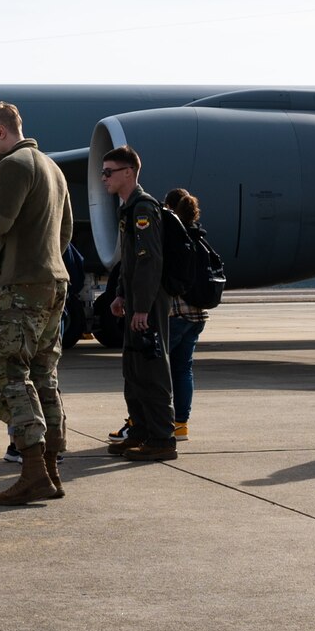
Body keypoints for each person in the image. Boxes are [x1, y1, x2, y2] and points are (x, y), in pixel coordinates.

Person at [0, 101, 73, 505]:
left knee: (4, 372)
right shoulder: (53, 167)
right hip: (53, 281)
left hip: (21, 286)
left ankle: (31, 469)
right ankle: (50, 469)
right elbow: (64, 232)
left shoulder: (12, 165)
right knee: (44, 373)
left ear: (1, 132)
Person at [98, 147, 177, 462]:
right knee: (133, 368)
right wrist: (119, 294)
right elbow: (127, 262)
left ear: (128, 172)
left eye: (109, 172)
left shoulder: (143, 208)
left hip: (149, 301)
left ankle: (162, 438)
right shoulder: (127, 209)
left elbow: (149, 262)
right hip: (134, 300)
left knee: (152, 368)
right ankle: (142, 430)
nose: (104, 178)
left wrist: (142, 306)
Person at [164, 188, 209, 442]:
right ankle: (181, 424)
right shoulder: (199, 235)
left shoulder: (173, 236)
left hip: (176, 311)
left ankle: (150, 418)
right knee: (184, 370)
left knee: (156, 369)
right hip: (197, 314)